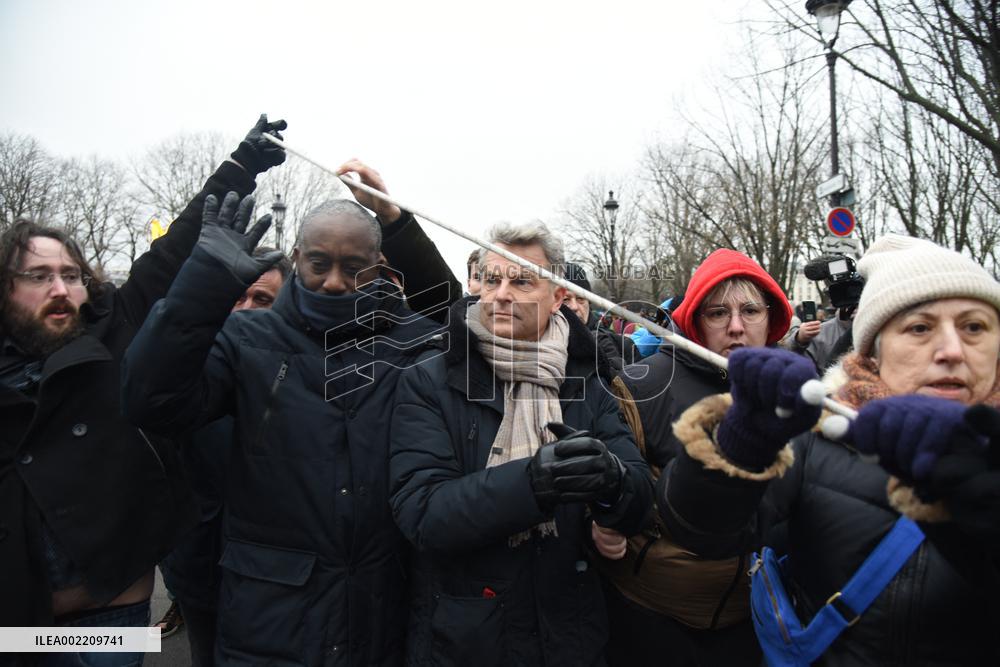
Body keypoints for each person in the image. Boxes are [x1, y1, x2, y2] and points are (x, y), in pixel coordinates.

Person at [121, 160, 460, 665]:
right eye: (319, 263)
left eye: (354, 267)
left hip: (381, 609)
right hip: (272, 620)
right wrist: (202, 284)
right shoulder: (246, 337)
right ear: (297, 258)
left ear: (380, 266)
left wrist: (395, 220)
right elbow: (150, 400)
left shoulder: (412, 341)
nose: (335, 283)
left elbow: (459, 321)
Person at [0, 114, 286, 664]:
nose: (60, 288)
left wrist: (243, 163)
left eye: (71, 275)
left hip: (110, 617)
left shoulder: (117, 321)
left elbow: (178, 244)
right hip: (16, 620)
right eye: (38, 276)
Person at [656, 234, 1000, 664]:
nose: (951, 350)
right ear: (874, 350)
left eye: (974, 327)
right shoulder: (821, 432)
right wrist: (739, 445)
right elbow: (700, 529)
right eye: (920, 327)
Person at [388, 222, 653, 666]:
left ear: (558, 297)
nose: (501, 294)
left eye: (522, 281)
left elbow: (640, 498)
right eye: (492, 279)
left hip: (570, 635)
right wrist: (532, 484)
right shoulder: (431, 378)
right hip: (467, 641)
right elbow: (422, 513)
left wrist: (613, 483)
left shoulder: (586, 379)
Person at [594, 248, 793, 666]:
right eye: (718, 313)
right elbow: (610, 480)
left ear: (770, 317)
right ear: (696, 320)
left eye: (750, 311)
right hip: (653, 617)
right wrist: (600, 521)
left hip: (758, 616)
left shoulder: (796, 390)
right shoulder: (642, 384)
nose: (736, 326)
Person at [157, 247, 293, 665]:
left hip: (275, 581)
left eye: (262, 299)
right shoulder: (187, 371)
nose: (246, 310)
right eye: (238, 297)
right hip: (198, 569)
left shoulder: (301, 376)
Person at [562, 261, 637, 373]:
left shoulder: (620, 345)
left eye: (580, 298)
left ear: (589, 302)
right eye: (565, 299)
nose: (574, 307)